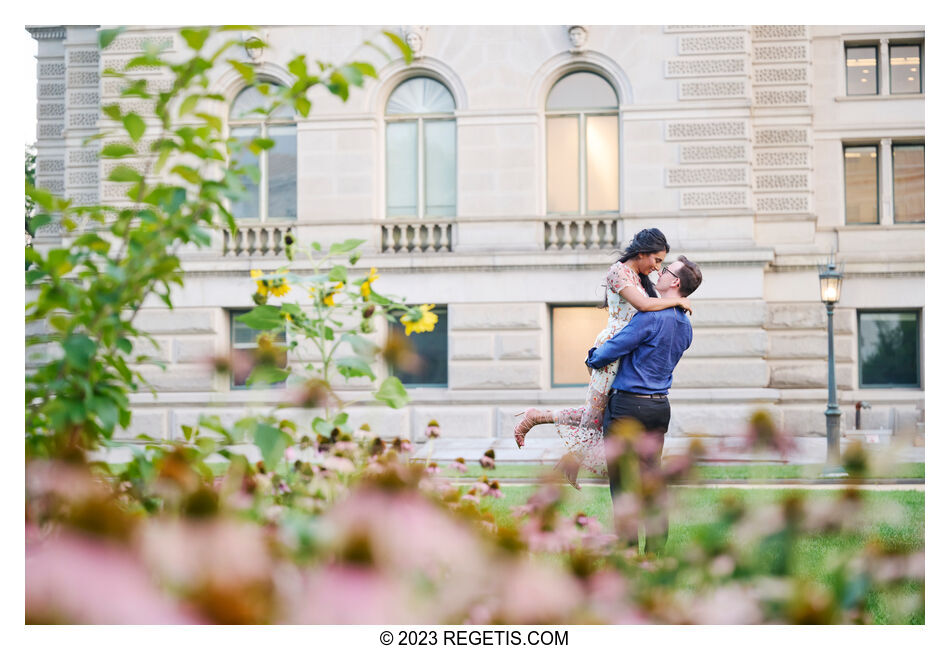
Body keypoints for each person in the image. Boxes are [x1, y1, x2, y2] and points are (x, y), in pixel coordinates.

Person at [513, 229, 692, 488]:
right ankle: (539, 420)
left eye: (662, 263)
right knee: (597, 413)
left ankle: (549, 430)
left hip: (628, 348)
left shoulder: (642, 278)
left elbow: (647, 311)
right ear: (642, 253)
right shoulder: (618, 272)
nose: (657, 268)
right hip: (612, 349)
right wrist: (678, 301)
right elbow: (643, 306)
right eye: (656, 260)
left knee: (601, 413)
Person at [585, 255, 703, 552]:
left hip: (628, 408)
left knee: (623, 484)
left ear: (675, 282)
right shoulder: (685, 326)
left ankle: (626, 549)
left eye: (666, 270)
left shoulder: (650, 317)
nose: (659, 273)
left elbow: (611, 350)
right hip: (659, 408)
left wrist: (592, 356)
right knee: (652, 483)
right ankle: (654, 552)